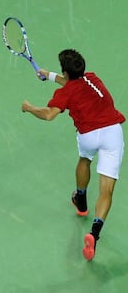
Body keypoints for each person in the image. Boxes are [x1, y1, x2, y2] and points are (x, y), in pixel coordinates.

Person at [21, 49, 125, 261]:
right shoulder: (93, 78)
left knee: (85, 159)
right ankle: (94, 233)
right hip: (112, 133)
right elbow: (73, 83)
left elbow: (50, 115)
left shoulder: (65, 92)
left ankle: (81, 200)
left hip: (88, 136)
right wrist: (48, 75)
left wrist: (29, 108)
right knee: (106, 191)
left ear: (66, 73)